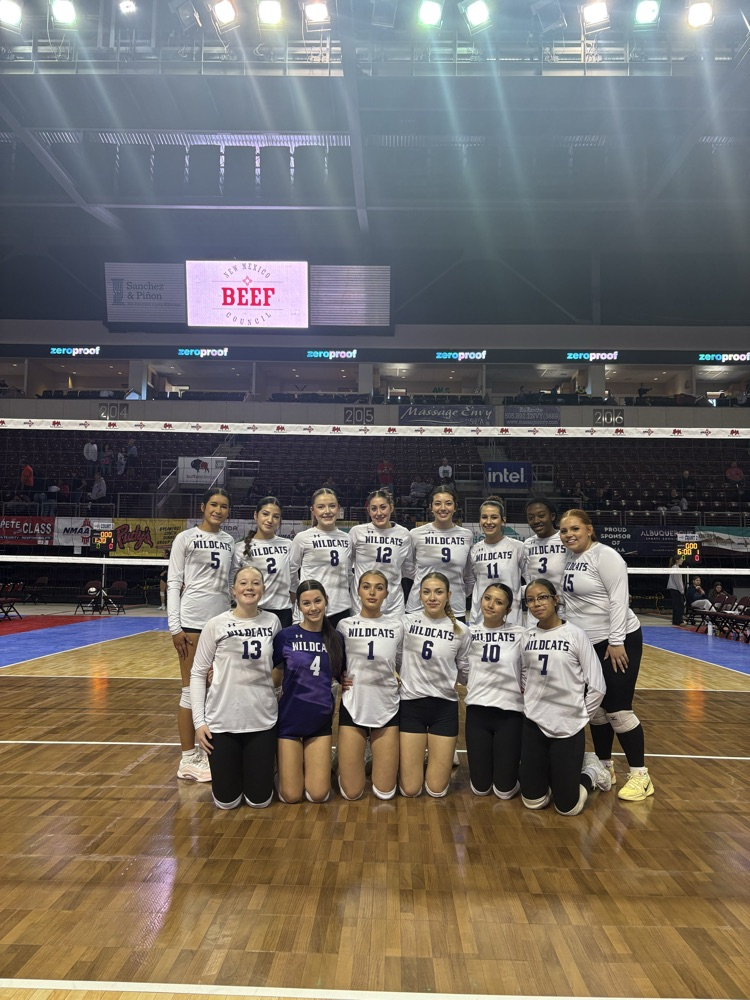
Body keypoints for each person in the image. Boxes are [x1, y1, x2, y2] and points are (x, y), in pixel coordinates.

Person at [559, 508, 654, 802]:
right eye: (564, 531)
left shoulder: (606, 556)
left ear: (589, 529)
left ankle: (640, 776)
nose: (569, 535)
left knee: (618, 709)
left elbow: (618, 600)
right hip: (586, 644)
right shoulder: (570, 559)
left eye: (575, 528)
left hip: (616, 641)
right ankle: (604, 767)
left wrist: (616, 640)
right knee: (597, 710)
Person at [190, 566, 281, 810]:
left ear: (263, 589)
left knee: (259, 801)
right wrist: (199, 722)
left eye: (255, 583)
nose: (249, 587)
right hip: (222, 722)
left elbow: (279, 666)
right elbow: (198, 672)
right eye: (243, 583)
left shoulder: (273, 622)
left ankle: (264, 771)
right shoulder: (216, 624)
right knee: (226, 802)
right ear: (233, 590)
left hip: (261, 721)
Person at [519, 579, 610, 816]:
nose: (537, 603)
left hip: (568, 727)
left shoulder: (575, 635)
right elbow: (523, 676)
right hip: (534, 723)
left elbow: (597, 685)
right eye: (530, 600)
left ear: (555, 599)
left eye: (542, 597)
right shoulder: (526, 637)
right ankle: (555, 777)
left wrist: (580, 716)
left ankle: (592, 771)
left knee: (568, 808)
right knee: (533, 802)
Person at [168, 488, 234, 783]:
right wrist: (175, 627)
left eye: (224, 506)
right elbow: (174, 583)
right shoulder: (185, 538)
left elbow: (230, 582)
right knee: (190, 690)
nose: (218, 510)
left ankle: (207, 753)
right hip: (192, 622)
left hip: (221, 624)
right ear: (203, 507)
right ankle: (187, 758)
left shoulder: (229, 541)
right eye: (214, 505)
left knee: (213, 689)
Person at [398, 572, 472, 798]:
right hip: (411, 706)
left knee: (436, 790)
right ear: (419, 595)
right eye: (427, 592)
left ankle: (435, 755)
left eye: (438, 592)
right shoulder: (406, 623)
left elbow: (465, 671)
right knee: (411, 790)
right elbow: (392, 656)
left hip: (444, 708)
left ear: (448, 595)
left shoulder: (461, 630)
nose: (432, 597)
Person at [273, 579, 345, 803]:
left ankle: (305, 767)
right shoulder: (285, 636)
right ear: (299, 607)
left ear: (326, 601)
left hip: (319, 722)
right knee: (292, 796)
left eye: (317, 601)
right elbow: (267, 671)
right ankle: (281, 769)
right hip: (289, 721)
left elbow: (343, 674)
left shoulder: (336, 639)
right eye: (306, 603)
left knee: (319, 794)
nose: (313, 608)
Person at [336, 571, 403, 801]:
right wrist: (339, 676)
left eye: (378, 587)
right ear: (358, 591)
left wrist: (399, 676)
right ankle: (347, 766)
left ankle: (374, 761)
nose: (372, 592)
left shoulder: (397, 626)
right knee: (352, 793)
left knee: (385, 792)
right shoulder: (344, 625)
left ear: (386, 593)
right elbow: (336, 661)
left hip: (386, 706)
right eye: (366, 586)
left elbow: (403, 661)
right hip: (354, 704)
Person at [465, 584, 524, 800]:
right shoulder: (467, 633)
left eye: (498, 602)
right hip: (477, 712)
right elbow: (459, 666)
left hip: (510, 713)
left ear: (508, 610)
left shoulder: (521, 634)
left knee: (504, 791)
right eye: (487, 598)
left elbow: (530, 667)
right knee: (480, 789)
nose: (490, 605)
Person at [406, 485, 474, 621]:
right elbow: (407, 568)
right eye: (437, 504)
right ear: (431, 507)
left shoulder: (467, 535)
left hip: (454, 607)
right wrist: (424, 581)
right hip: (419, 607)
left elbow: (469, 576)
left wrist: (457, 593)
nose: (443, 508)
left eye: (448, 503)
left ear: (455, 507)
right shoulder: (416, 534)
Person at [289, 488, 352, 628]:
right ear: (313, 510)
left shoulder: (347, 538)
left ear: (338, 509)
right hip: (310, 610)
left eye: (332, 506)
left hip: (340, 610)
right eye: (321, 507)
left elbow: (348, 574)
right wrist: (302, 594)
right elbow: (291, 571)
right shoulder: (302, 538)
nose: (327, 511)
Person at [348, 489, 414, 618]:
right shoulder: (357, 532)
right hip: (361, 605)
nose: (378, 513)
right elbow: (347, 567)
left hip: (393, 607)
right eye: (374, 509)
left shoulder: (404, 534)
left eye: (383, 507)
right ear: (368, 511)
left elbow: (409, 570)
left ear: (391, 507)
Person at [232, 496, 293, 627]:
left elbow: (294, 578)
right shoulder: (240, 548)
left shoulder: (289, 545)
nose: (270, 520)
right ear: (256, 515)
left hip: (283, 611)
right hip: (252, 610)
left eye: (276, 516)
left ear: (280, 520)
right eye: (265, 514)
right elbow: (232, 582)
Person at [468, 497, 525, 626]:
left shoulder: (517, 547)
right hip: (480, 619)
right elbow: (471, 583)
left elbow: (531, 581)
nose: (488, 522)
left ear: (503, 521)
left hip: (511, 619)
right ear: (479, 520)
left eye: (494, 517)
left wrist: (515, 593)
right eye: (484, 517)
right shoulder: (474, 550)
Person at [523, 498, 568, 599]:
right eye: (530, 518)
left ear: (552, 516)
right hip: (537, 604)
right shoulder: (527, 544)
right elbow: (527, 577)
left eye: (541, 516)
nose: (536, 521)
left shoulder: (565, 539)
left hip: (564, 604)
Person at [666, 555, 685, 626]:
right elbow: (678, 581)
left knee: (677, 605)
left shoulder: (674, 568)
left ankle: (676, 620)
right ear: (677, 560)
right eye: (681, 559)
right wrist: (681, 590)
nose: (682, 561)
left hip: (674, 589)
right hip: (676, 589)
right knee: (679, 605)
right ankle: (678, 621)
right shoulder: (676, 569)